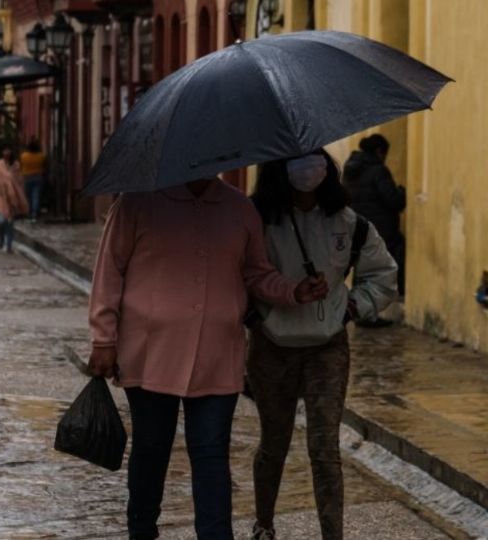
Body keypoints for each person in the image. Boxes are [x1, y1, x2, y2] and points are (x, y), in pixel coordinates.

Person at [88, 177, 328, 540]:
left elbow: (256, 273)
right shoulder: (137, 203)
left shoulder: (239, 209)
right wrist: (103, 339)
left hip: (217, 353)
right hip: (151, 354)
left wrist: (293, 290)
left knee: (211, 453)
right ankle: (141, 531)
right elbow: (108, 272)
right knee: (151, 450)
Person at [247, 150, 398, 540]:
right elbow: (236, 276)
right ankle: (264, 524)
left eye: (313, 155)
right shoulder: (257, 222)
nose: (307, 166)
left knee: (325, 449)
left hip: (327, 347)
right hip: (271, 347)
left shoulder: (349, 224)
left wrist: (349, 308)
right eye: (296, 158)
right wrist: (256, 319)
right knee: (273, 443)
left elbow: (382, 275)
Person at [343, 134, 406, 311]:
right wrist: (401, 192)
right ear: (379, 151)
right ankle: (370, 310)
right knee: (380, 269)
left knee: (360, 267)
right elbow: (392, 200)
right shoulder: (378, 170)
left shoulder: (350, 169)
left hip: (356, 226)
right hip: (380, 229)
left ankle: (358, 309)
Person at [0, 145, 28, 253]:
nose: (7, 152)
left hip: (12, 197)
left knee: (10, 222)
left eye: (8, 150)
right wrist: (1, 187)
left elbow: (19, 181)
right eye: (4, 150)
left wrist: (17, 193)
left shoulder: (16, 165)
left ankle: (9, 245)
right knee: (1, 221)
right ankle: (1, 238)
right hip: (0, 196)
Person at [20, 139, 47, 222]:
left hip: (27, 177)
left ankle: (29, 211)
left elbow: (21, 164)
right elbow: (44, 164)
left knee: (28, 196)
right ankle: (35, 213)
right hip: (38, 177)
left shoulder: (24, 156)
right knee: (36, 195)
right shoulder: (41, 156)